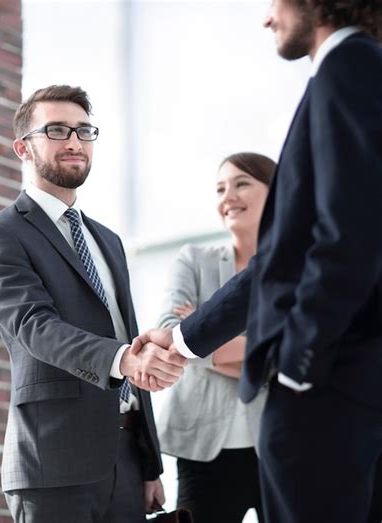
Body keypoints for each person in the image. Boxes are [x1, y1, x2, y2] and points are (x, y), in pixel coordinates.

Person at [132, 1, 382, 522]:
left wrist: (297, 365)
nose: (267, 19)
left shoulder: (349, 67)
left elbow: (350, 235)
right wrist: (180, 337)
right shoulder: (350, 71)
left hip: (326, 390)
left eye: (274, 3)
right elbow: (278, 265)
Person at [0, 84, 188, 523]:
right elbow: (35, 327)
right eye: (56, 130)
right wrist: (123, 360)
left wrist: (149, 465)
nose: (74, 141)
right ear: (23, 148)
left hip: (125, 459)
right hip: (53, 463)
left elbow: (123, 335)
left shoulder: (108, 240)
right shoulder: (0, 236)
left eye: (84, 131)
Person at [156, 152, 275, 523]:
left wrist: (203, 337)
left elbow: (301, 350)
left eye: (242, 183)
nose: (228, 196)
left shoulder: (292, 267)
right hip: (202, 449)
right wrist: (266, 354)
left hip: (278, 446)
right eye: (221, 188)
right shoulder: (193, 259)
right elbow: (169, 336)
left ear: (277, 193)